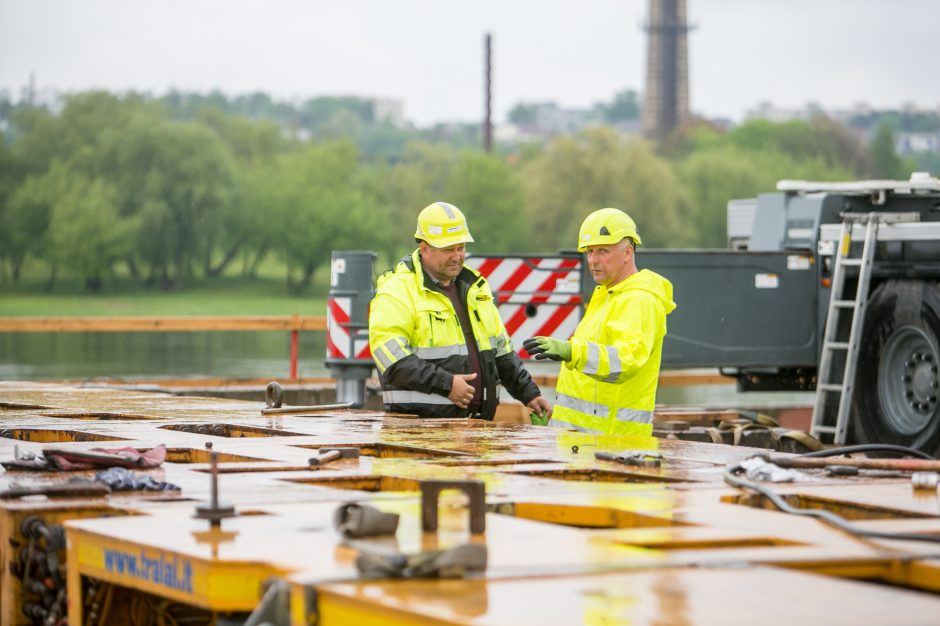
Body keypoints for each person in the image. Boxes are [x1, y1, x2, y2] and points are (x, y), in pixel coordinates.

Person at [369, 201, 552, 421]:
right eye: (448, 249)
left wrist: (529, 393)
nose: (457, 257)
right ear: (424, 249)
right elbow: (393, 361)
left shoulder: (475, 288)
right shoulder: (397, 290)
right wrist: (447, 385)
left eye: (461, 248)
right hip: (418, 432)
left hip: (477, 427)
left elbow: (501, 353)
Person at [523, 208, 676, 435]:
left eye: (603, 251)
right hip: (580, 444)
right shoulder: (606, 295)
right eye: (589, 251)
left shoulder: (640, 300)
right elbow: (587, 383)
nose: (593, 260)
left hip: (613, 446)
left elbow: (625, 362)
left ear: (627, 253)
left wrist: (571, 351)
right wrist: (555, 428)